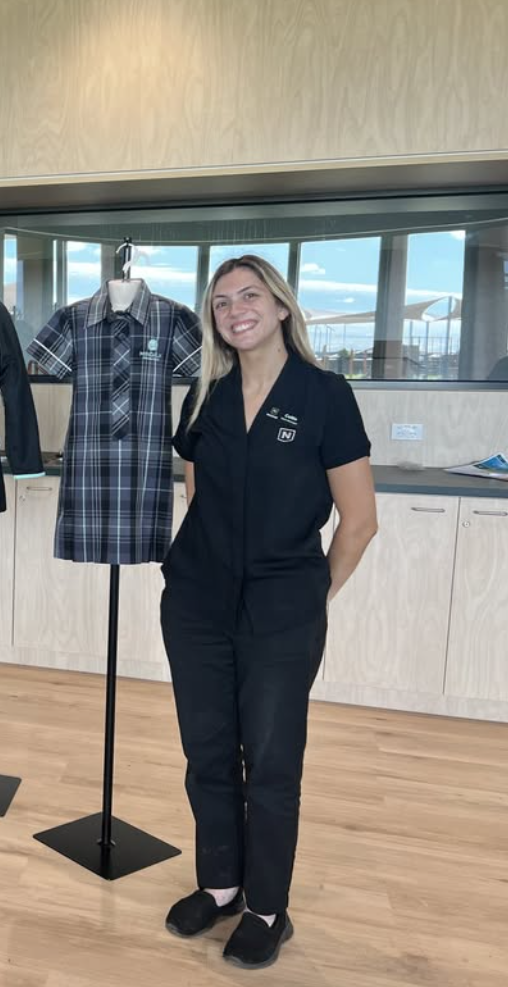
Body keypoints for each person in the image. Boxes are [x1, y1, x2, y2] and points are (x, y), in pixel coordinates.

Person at [159, 255, 377, 969]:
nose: (235, 309)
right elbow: (198, 492)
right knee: (208, 753)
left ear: (281, 308)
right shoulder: (204, 397)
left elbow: (359, 520)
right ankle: (220, 885)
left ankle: (265, 908)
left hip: (282, 611)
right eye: (221, 302)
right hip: (197, 602)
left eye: (249, 296)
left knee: (273, 761)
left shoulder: (324, 395)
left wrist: (309, 601)